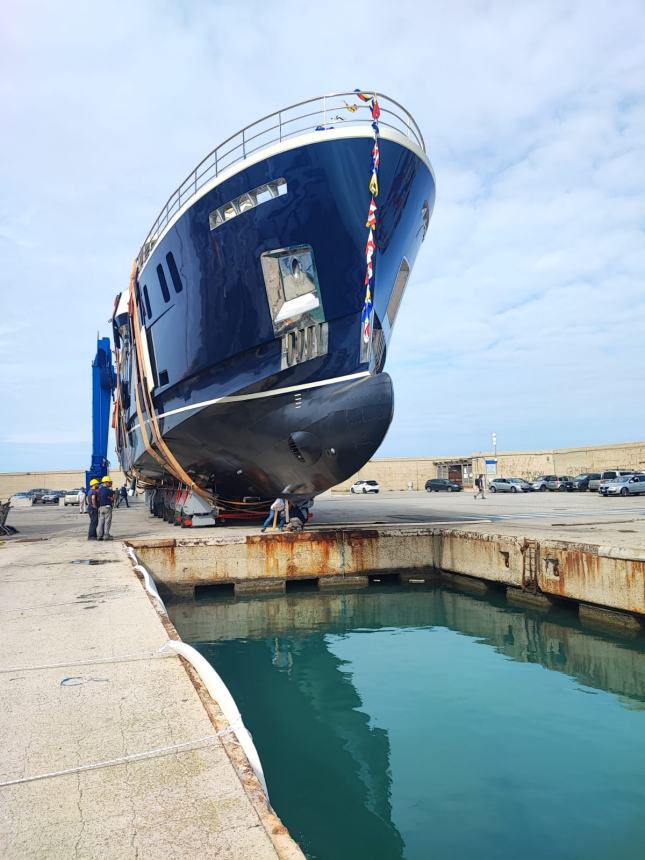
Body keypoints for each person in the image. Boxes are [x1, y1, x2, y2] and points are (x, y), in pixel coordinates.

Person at [96, 476, 115, 540]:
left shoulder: (99, 490)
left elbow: (98, 498)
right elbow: (113, 498)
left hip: (101, 508)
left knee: (100, 522)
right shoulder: (108, 490)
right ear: (106, 482)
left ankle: (99, 536)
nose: (110, 484)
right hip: (107, 508)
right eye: (109, 483)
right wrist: (110, 498)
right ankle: (106, 535)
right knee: (107, 522)